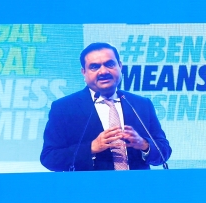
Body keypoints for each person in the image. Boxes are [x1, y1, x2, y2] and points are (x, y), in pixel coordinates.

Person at [40, 42, 170, 171]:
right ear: (84, 72)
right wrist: (91, 148)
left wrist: (144, 144)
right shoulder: (64, 108)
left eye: (110, 64)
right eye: (94, 67)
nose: (103, 71)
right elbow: (49, 158)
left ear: (120, 66)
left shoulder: (141, 104)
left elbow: (164, 151)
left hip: (138, 183)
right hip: (89, 184)